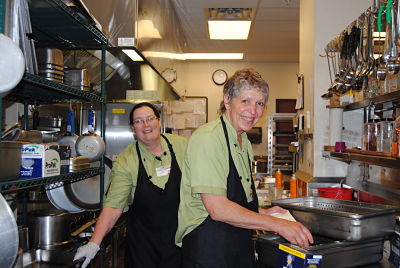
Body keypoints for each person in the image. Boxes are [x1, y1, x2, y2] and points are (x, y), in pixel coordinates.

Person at [175, 68, 313, 267]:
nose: (254, 111)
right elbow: (217, 209)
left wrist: (262, 213)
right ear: (227, 100)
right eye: (245, 101)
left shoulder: (244, 141)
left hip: (236, 242)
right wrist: (277, 224)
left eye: (259, 104)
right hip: (209, 248)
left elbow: (236, 199)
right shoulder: (208, 139)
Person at [74, 102, 187, 268]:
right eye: (139, 121)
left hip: (181, 245)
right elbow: (113, 206)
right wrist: (93, 244)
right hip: (144, 250)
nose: (146, 125)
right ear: (133, 128)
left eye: (150, 119)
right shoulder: (126, 160)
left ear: (158, 121)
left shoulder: (182, 145)